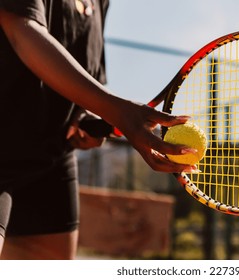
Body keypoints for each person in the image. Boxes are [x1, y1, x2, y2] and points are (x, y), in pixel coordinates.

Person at [0, 0, 198, 259]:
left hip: (50, 154)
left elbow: (88, 71)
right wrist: (116, 110)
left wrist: (85, 114)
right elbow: (21, 30)